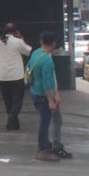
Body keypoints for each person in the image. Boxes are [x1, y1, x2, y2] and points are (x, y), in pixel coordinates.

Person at [0, 23, 32, 130]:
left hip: (3, 76)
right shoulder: (18, 41)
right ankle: (12, 117)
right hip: (17, 76)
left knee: (7, 99)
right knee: (17, 99)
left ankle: (13, 122)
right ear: (16, 31)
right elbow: (28, 51)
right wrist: (21, 38)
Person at [25, 32, 61, 162]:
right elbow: (47, 83)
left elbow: (28, 67)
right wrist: (51, 100)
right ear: (53, 44)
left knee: (44, 122)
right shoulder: (47, 59)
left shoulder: (36, 53)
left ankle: (45, 147)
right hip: (42, 95)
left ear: (41, 42)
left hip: (34, 91)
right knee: (44, 124)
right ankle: (43, 150)